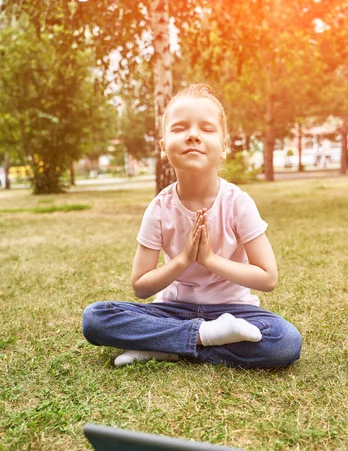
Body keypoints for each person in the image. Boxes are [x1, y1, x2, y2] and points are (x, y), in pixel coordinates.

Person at [82, 83, 302, 369]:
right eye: (180, 128)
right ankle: (203, 337)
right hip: (172, 310)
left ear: (223, 147)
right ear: (163, 147)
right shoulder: (159, 208)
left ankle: (165, 346)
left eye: (207, 129)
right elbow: (140, 286)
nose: (193, 136)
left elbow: (268, 278)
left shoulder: (238, 202)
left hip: (234, 313)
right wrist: (184, 260)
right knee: (95, 318)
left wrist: (209, 260)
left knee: (285, 341)